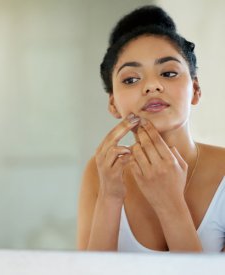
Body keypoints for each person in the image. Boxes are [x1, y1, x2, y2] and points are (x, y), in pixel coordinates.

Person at [77, 5, 225, 252]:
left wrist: (170, 204)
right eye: (131, 79)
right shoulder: (100, 172)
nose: (152, 85)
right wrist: (110, 197)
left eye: (168, 73)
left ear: (195, 90)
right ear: (113, 103)